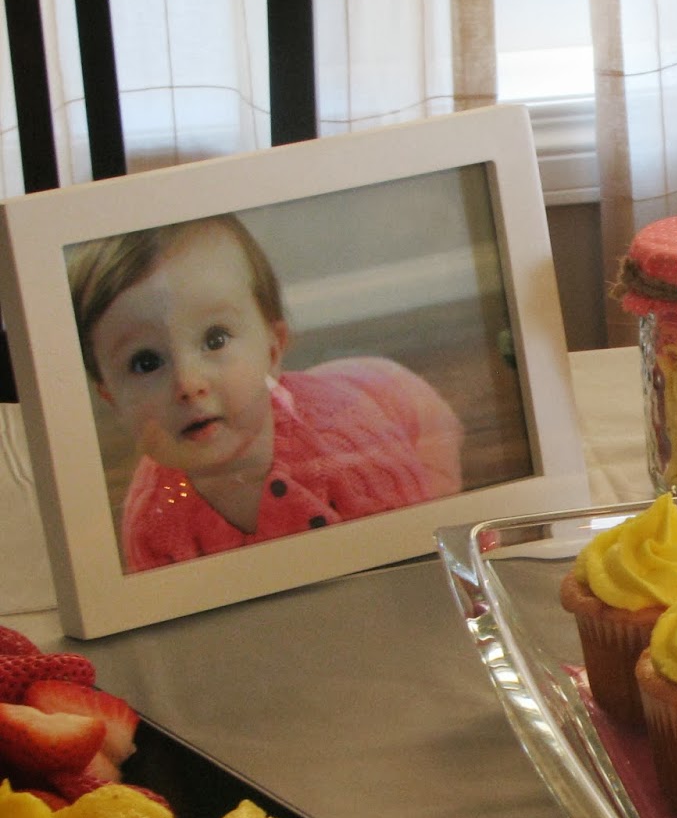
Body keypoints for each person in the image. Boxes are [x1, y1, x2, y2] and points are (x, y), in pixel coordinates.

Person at [71, 213, 465, 571]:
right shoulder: (152, 519)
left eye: (215, 338)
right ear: (111, 399)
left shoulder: (353, 452)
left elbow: (416, 552)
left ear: (273, 350)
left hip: (405, 414)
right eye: (145, 362)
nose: (188, 384)